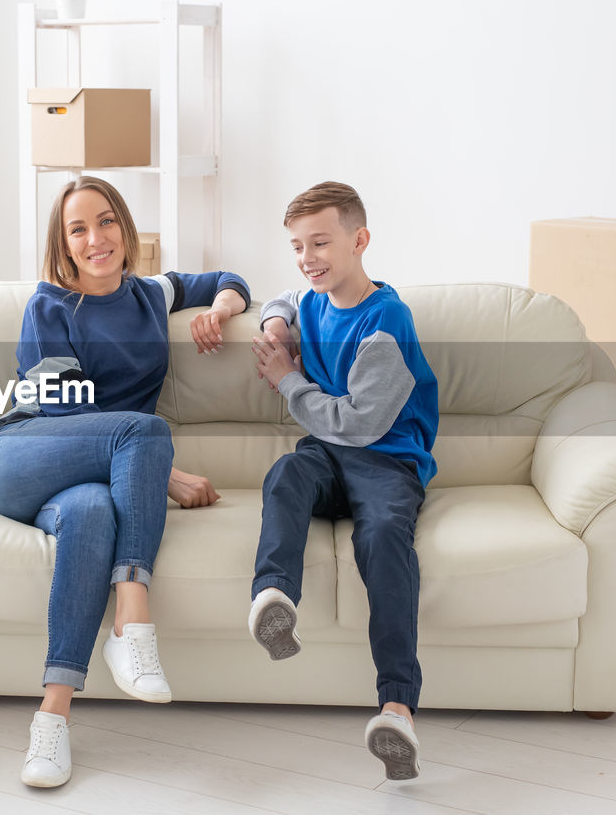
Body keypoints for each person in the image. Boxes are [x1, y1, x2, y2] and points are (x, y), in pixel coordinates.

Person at [0, 175, 250, 788]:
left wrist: (221, 308)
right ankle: (133, 618)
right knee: (145, 432)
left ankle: (52, 717)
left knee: (93, 515)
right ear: (64, 244)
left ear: (126, 229)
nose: (96, 239)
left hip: (86, 481)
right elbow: (63, 412)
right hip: (23, 456)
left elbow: (229, 280)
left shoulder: (152, 294)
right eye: (79, 229)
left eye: (106, 222)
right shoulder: (48, 306)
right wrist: (163, 477)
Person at [248, 181, 438, 781]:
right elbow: (283, 297)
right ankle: (274, 596)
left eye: (321, 243)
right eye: (298, 247)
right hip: (326, 455)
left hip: (385, 459)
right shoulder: (313, 298)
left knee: (382, 537)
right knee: (286, 474)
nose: (309, 259)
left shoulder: (386, 323)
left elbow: (358, 424)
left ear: (360, 241)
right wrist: (278, 323)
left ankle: (397, 706)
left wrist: (285, 379)